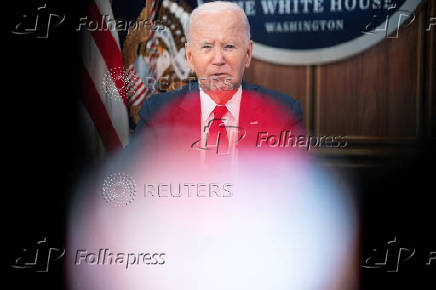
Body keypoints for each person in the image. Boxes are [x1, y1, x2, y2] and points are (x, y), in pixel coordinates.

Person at [133, 1, 304, 163]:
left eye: (229, 46)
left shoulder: (284, 115)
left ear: (248, 54)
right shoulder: (157, 114)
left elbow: (298, 188)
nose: (218, 59)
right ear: (190, 57)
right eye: (207, 46)